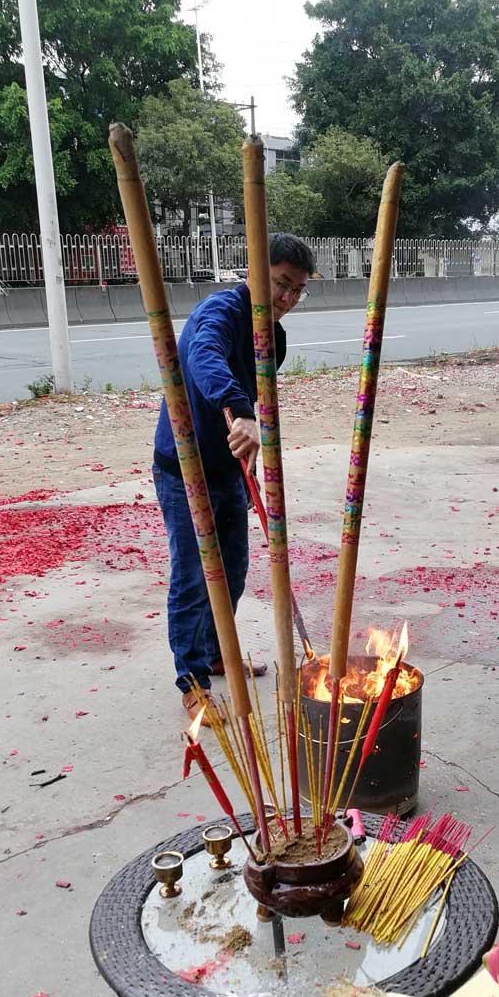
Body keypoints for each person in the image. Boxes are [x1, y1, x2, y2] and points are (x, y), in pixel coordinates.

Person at [153, 232, 316, 721]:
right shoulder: (221, 311)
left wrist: (250, 446)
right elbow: (204, 357)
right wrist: (240, 410)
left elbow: (259, 391)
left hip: (229, 468)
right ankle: (193, 681)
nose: (286, 299)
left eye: (296, 291)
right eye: (280, 284)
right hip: (186, 468)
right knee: (195, 576)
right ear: (255, 272)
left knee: (235, 570)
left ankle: (216, 651)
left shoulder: (275, 337)